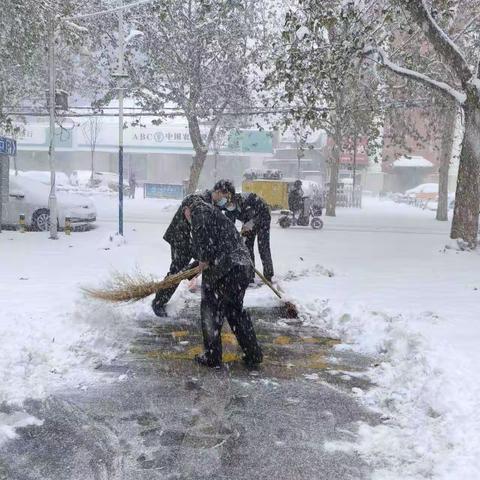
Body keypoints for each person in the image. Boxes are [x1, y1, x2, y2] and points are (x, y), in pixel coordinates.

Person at [182, 195, 263, 368]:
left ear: (187, 209)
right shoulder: (213, 212)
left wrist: (203, 258)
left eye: (185, 215)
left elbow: (206, 247)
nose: (187, 219)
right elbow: (217, 247)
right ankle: (253, 353)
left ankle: (212, 356)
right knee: (235, 312)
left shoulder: (199, 211)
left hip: (226, 269)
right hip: (241, 267)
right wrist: (190, 270)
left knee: (210, 311)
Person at [151, 190, 212, 317]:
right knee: (176, 271)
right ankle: (158, 302)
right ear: (218, 192)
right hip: (180, 237)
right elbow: (188, 201)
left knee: (208, 259)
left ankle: (190, 272)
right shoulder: (199, 198)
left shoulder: (211, 203)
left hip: (190, 239)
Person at [212, 180, 274, 283]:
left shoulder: (247, 200)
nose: (221, 198)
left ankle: (268, 275)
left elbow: (264, 212)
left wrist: (252, 223)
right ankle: (249, 275)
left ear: (229, 194)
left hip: (263, 217)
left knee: (263, 246)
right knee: (246, 247)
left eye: (222, 194)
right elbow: (229, 225)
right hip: (247, 221)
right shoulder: (226, 207)